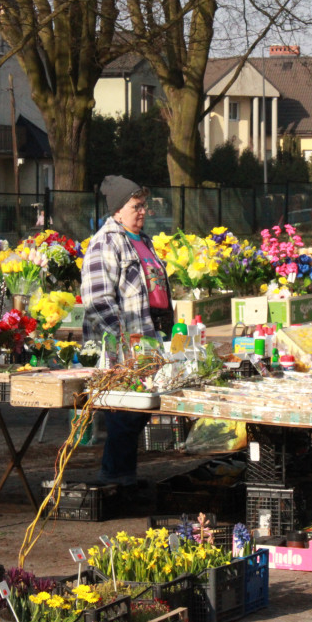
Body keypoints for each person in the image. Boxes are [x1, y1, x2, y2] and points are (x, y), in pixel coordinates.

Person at [81, 175, 173, 489]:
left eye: (144, 205)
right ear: (118, 210)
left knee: (141, 408)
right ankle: (114, 477)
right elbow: (98, 301)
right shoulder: (106, 241)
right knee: (125, 410)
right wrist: (124, 346)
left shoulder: (143, 240)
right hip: (121, 347)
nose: (143, 211)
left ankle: (123, 475)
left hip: (149, 339)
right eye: (136, 206)